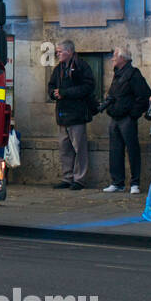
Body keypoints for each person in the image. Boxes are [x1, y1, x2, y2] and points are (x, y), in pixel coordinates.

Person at [102, 46, 151, 194]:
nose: (112, 59)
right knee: (115, 151)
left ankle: (135, 182)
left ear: (123, 58)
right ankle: (117, 182)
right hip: (115, 118)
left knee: (132, 150)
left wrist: (132, 114)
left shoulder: (133, 74)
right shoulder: (118, 74)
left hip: (127, 119)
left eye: (115, 56)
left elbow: (144, 96)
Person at [47, 39, 95, 190]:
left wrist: (65, 93)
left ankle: (79, 178)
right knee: (64, 148)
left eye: (60, 51)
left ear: (69, 52)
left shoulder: (82, 66)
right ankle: (67, 177)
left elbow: (88, 86)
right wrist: (53, 94)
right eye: (57, 52)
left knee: (79, 148)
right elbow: (51, 85)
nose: (58, 54)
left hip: (77, 114)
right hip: (62, 114)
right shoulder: (58, 69)